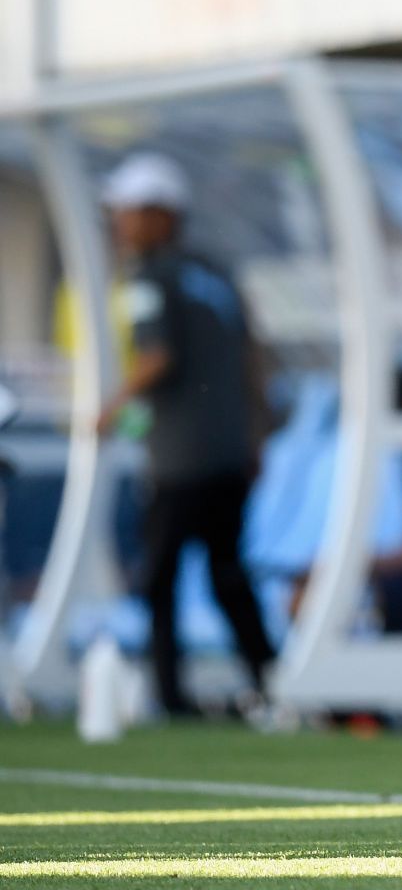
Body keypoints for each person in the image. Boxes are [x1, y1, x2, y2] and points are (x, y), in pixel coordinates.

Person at [95, 153, 276, 719]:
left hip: (177, 457)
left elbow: (156, 356)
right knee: (228, 574)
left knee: (161, 577)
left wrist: (110, 409)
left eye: (129, 212)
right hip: (229, 452)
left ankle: (170, 697)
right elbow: (254, 361)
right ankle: (271, 682)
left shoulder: (147, 275)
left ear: (159, 215)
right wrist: (255, 437)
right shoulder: (216, 274)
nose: (120, 224)